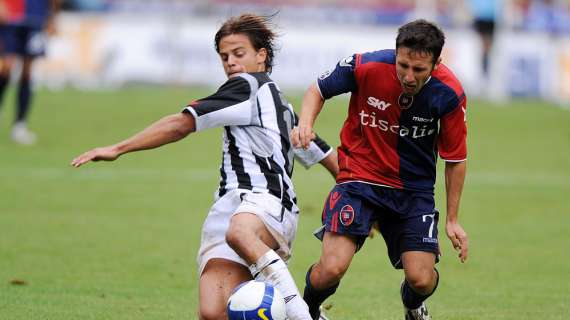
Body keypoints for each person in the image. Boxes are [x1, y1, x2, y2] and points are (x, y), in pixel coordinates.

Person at [71, 13, 338, 320]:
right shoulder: (285, 108)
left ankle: (301, 314)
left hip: (265, 205)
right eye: (224, 56)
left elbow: (180, 124)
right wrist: (355, 201)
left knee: (239, 233)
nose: (231, 63)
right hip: (230, 208)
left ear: (261, 55)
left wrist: (118, 148)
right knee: (214, 313)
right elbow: (327, 158)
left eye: (239, 54)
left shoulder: (247, 85)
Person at [291, 19, 469, 320]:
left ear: (436, 63)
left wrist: (452, 220)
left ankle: (413, 304)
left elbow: (455, 159)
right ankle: (306, 311)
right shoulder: (366, 65)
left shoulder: (449, 93)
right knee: (331, 268)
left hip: (413, 191)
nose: (409, 76)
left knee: (422, 279)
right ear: (396, 52)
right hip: (359, 180)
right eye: (403, 65)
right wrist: (305, 123)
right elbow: (317, 89)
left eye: (419, 70)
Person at [0, 0, 59, 145]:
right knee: (6, 67)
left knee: (27, 73)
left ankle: (20, 125)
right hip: (11, 18)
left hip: (34, 19)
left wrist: (52, 18)